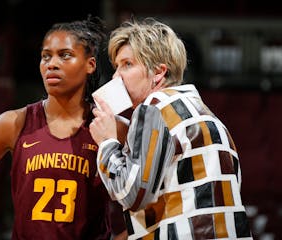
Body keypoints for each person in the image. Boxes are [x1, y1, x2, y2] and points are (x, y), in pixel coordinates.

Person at [0, 16, 126, 240]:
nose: (52, 64)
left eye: (65, 55)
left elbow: (153, 197)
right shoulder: (13, 123)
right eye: (45, 56)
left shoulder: (111, 126)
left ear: (90, 64)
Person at [89, 17, 252, 239]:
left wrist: (107, 142)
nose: (117, 76)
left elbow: (132, 194)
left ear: (158, 72)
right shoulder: (208, 115)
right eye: (117, 67)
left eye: (128, 64)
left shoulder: (153, 108)